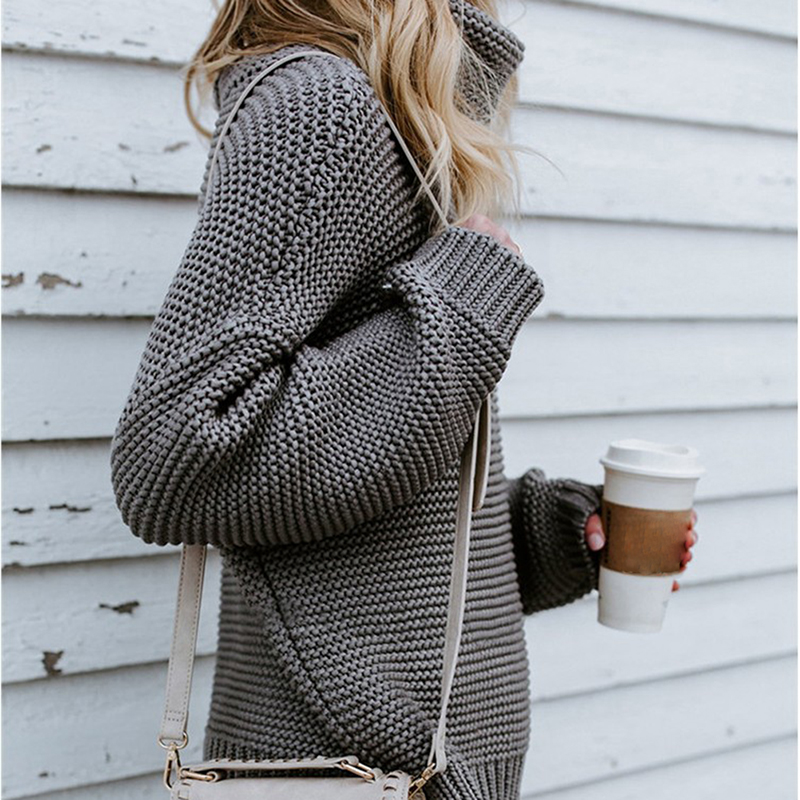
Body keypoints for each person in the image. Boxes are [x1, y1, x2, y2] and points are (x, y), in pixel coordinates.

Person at [109, 1, 697, 798]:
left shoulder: (385, 112)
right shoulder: (322, 110)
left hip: (402, 763)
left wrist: (546, 536)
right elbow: (175, 462)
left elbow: (366, 503)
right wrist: (459, 302)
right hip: (351, 767)